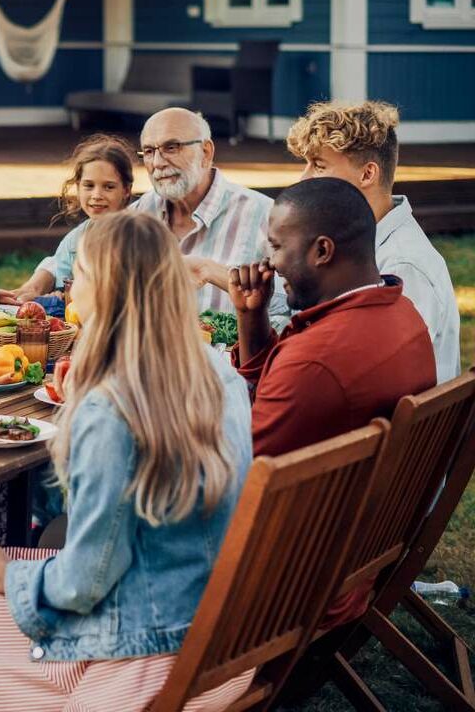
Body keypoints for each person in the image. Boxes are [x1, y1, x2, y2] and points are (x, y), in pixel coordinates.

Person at [0, 212, 255, 712]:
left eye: (81, 273)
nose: (71, 284)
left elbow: (87, 580)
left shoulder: (109, 408)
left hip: (144, 656)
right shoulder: (219, 372)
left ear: (107, 289)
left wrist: (9, 579)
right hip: (222, 636)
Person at [229, 177, 436, 459]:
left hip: (292, 500)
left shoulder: (312, 363)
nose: (271, 264)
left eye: (276, 247)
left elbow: (236, 469)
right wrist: (251, 316)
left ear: (323, 251)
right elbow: (275, 388)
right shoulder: (405, 313)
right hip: (363, 496)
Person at [285, 100, 460, 383]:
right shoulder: (356, 237)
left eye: (318, 166)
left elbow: (383, 373)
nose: (303, 179)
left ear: (367, 174)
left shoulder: (403, 266)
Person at [135, 108, 281, 316]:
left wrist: (213, 272)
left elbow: (290, 308)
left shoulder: (264, 215)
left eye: (171, 147)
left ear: (206, 152)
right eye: (149, 151)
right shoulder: (138, 215)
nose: (157, 163)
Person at [5, 134, 136, 304]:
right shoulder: (76, 239)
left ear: (126, 190)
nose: (96, 195)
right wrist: (58, 295)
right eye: (89, 186)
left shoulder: (136, 236)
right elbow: (60, 275)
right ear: (78, 187)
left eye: (108, 187)